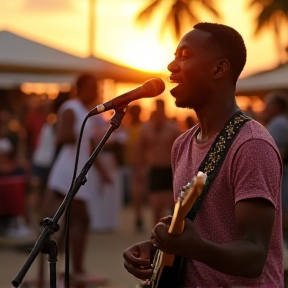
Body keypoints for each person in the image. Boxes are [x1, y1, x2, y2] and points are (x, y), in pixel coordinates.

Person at [123, 22, 283, 287]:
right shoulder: (183, 144)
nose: (172, 66)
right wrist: (157, 245)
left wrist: (197, 249)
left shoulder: (251, 145)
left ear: (219, 68)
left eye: (184, 56)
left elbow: (254, 257)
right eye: (174, 56)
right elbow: (196, 227)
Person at [45, 73, 110, 285]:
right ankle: (77, 269)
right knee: (81, 219)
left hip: (78, 171)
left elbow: (89, 146)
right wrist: (78, 133)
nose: (96, 92)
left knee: (72, 221)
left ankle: (68, 270)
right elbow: (61, 137)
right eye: (93, 87)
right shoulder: (71, 108)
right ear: (80, 88)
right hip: (67, 171)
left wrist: (101, 170)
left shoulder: (86, 112)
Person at [135, 99, 181, 229]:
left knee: (173, 206)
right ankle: (157, 235)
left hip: (170, 170)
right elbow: (139, 150)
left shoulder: (173, 129)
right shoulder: (146, 129)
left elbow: (182, 149)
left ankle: (173, 233)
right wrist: (139, 171)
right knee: (156, 206)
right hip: (155, 169)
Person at [263, 91, 288, 282]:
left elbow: (275, 154)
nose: (265, 109)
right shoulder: (282, 122)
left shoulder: (278, 123)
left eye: (268, 105)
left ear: (276, 106)